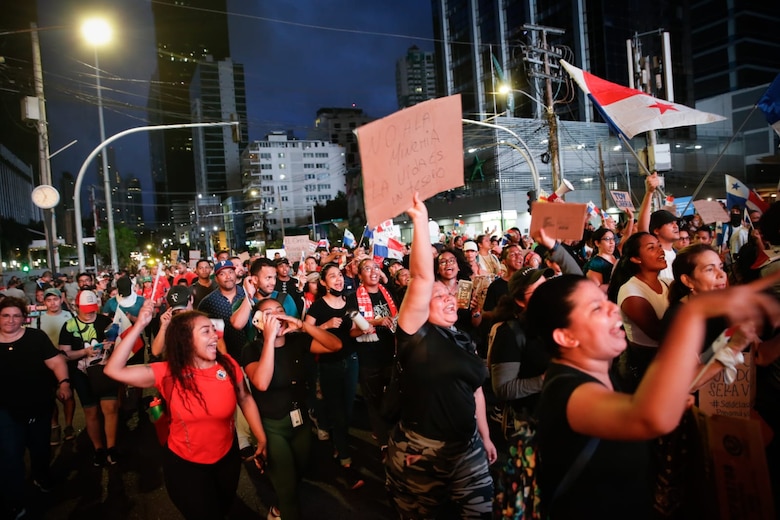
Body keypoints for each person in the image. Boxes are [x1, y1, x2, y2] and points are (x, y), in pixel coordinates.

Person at [525, 273, 780, 519]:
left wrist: (732, 348)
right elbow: (649, 418)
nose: (613, 308)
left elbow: (666, 394)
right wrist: (693, 313)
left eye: (605, 300)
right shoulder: (568, 393)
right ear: (566, 336)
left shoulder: (602, 376)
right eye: (596, 308)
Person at [386, 193, 497, 519]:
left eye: (449, 293)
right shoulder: (414, 335)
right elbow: (421, 277)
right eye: (438, 296)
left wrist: (485, 436)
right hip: (421, 452)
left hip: (468, 448)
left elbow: (475, 390)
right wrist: (421, 220)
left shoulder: (462, 339)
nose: (449, 298)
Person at [104, 300, 267, 520]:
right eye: (206, 331)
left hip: (227, 460)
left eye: (213, 329)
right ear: (186, 339)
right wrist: (140, 325)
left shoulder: (227, 364)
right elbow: (113, 370)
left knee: (223, 509)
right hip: (186, 466)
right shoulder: (167, 372)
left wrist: (261, 437)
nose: (215, 336)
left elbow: (245, 398)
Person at [242, 298, 342, 519]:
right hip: (272, 426)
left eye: (280, 311)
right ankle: (283, 509)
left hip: (300, 421)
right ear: (258, 321)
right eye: (269, 314)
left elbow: (335, 345)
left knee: (298, 471)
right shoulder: (252, 349)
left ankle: (278, 506)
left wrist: (302, 325)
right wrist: (269, 339)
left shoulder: (297, 341)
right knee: (287, 489)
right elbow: (261, 383)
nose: (277, 316)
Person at [0, 297, 71, 518]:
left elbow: (56, 361)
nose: (10, 320)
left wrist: (64, 383)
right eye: (5, 315)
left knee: (40, 448)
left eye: (16, 316)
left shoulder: (36, 338)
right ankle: (14, 501)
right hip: (5, 411)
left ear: (24, 318)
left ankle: (41, 475)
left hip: (39, 407)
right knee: (10, 456)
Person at [304, 263, 361, 474]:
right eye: (333, 276)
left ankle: (339, 442)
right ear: (324, 282)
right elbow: (306, 333)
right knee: (336, 409)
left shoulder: (350, 301)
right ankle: (344, 453)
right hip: (329, 363)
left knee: (348, 408)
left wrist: (364, 329)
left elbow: (353, 331)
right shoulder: (317, 307)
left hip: (351, 360)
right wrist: (326, 326)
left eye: (340, 275)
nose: (339, 279)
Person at [59, 290, 120, 466]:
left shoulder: (105, 321)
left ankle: (112, 447)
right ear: (77, 306)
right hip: (82, 374)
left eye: (92, 309)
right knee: (91, 411)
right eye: (85, 309)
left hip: (105, 370)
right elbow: (64, 354)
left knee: (110, 408)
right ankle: (98, 449)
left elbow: (118, 343)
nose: (89, 313)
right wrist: (84, 352)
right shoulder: (69, 326)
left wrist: (111, 345)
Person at [346, 258, 399, 454]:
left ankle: (392, 429)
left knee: (395, 395)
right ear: (360, 275)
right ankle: (383, 441)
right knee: (373, 399)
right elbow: (352, 332)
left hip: (391, 352)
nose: (373, 271)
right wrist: (376, 322)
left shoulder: (388, 292)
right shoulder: (353, 298)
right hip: (369, 356)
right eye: (367, 269)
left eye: (375, 267)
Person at [608, 232, 670, 391]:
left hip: (668, 360)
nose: (660, 251)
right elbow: (659, 333)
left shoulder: (668, 283)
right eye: (651, 248)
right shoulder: (631, 292)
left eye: (659, 246)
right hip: (647, 366)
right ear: (636, 259)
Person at [32, 288, 75, 445]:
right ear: (44, 302)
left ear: (61, 300)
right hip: (46, 366)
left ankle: (69, 425)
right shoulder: (38, 321)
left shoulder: (70, 316)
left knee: (68, 396)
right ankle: (54, 426)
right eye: (49, 300)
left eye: (55, 299)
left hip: (67, 362)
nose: (52, 303)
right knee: (49, 398)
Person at [583, 227, 619, 291]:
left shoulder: (615, 256)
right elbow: (597, 289)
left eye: (613, 239)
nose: (612, 242)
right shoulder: (596, 263)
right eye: (607, 239)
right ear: (597, 243)